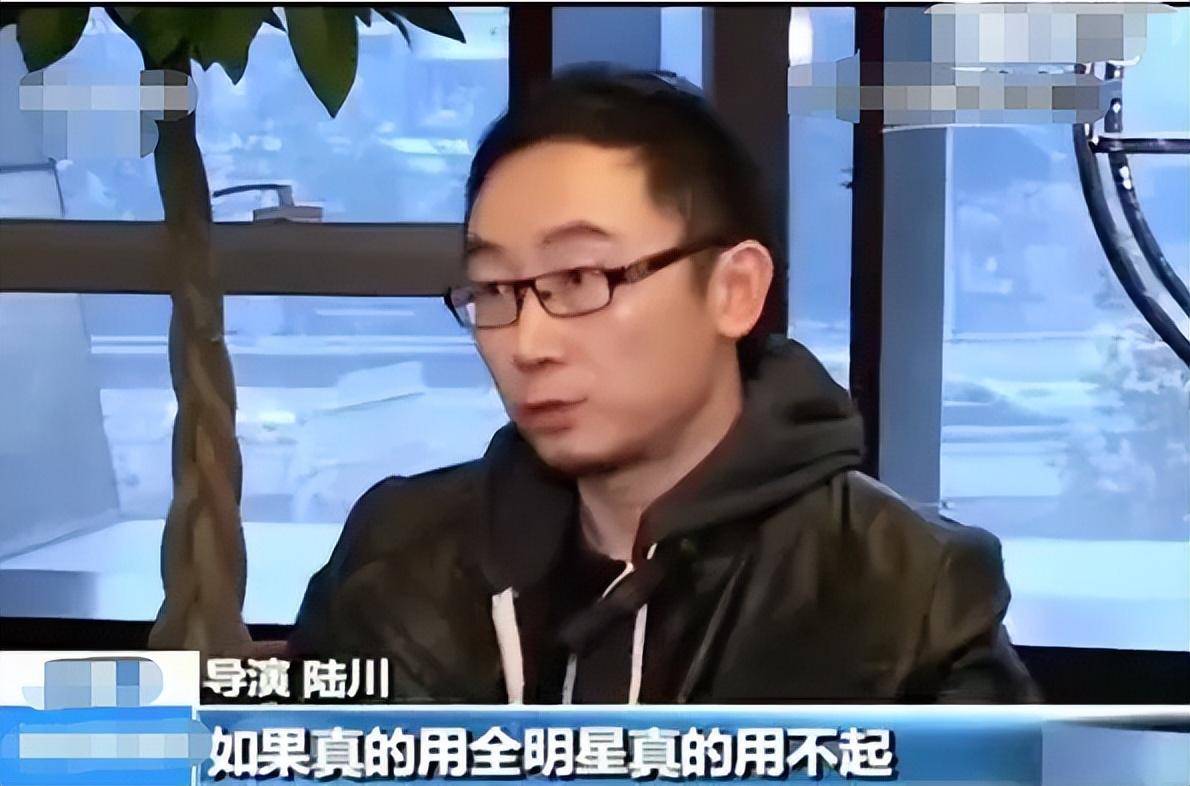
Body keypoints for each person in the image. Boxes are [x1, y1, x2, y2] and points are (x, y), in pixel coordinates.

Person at [289, 65, 1040, 703]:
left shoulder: (908, 597)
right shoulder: (395, 556)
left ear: (735, 291)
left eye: (579, 278)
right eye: (493, 290)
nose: (528, 343)